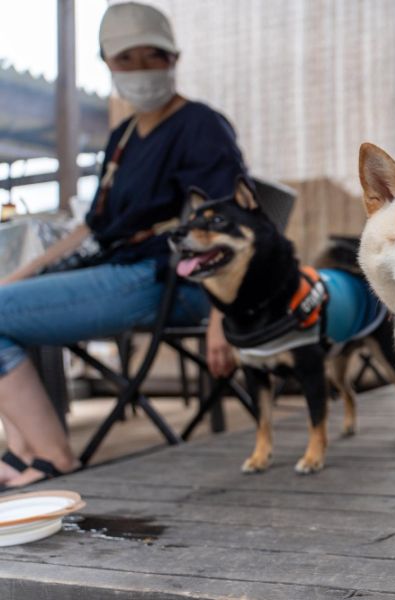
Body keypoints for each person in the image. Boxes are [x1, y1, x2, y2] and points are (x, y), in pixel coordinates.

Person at [0, 2, 242, 487]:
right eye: (126, 58)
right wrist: (18, 276)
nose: (141, 69)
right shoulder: (123, 136)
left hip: (170, 278)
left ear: (174, 58)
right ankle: (23, 449)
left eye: (154, 56)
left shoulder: (201, 125)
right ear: (107, 62)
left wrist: (223, 316)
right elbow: (90, 227)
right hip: (121, 271)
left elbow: (228, 219)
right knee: (8, 307)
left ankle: (51, 458)